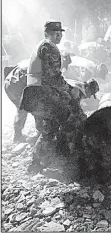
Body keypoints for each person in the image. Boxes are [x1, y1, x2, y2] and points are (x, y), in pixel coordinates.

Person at [20, 21, 74, 172]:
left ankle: (43, 161)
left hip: (35, 93)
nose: (59, 35)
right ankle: (39, 164)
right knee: (52, 127)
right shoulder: (49, 47)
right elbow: (53, 77)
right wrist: (69, 89)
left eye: (60, 32)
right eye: (56, 33)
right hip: (42, 94)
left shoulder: (43, 45)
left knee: (47, 129)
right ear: (47, 34)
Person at [4, 52, 72, 143]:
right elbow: (53, 83)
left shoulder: (43, 59)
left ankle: (20, 134)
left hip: (10, 82)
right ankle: (38, 133)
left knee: (24, 108)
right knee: (35, 107)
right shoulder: (49, 65)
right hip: (17, 85)